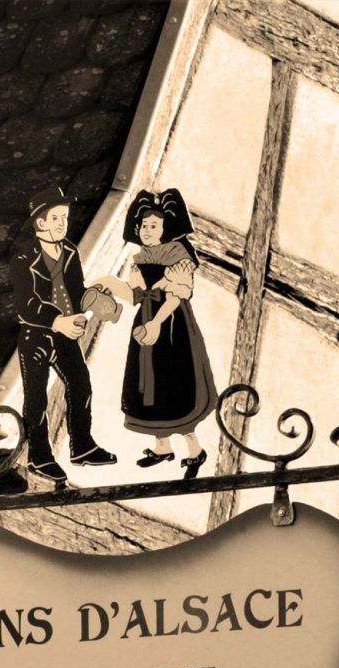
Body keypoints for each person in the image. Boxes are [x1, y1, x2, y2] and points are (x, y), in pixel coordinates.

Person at [0, 188, 117, 491]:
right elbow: (26, 304)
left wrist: (92, 300)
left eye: (64, 217)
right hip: (37, 334)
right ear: (39, 223)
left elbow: (76, 291)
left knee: (80, 384)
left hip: (65, 334)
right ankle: (39, 456)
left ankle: (82, 445)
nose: (62, 223)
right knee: (36, 397)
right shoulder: (24, 258)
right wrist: (57, 321)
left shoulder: (70, 252)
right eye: (55, 218)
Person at [116, 188, 215, 477]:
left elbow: (175, 297)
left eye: (153, 226)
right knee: (149, 384)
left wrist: (157, 322)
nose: (147, 231)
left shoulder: (178, 255)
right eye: (144, 226)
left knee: (173, 382)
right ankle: (162, 447)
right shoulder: (140, 258)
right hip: (146, 320)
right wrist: (106, 287)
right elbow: (135, 294)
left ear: (165, 229)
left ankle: (195, 451)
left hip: (171, 326)